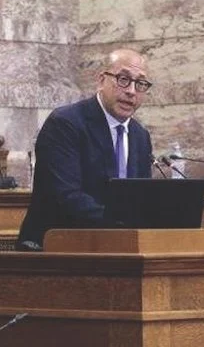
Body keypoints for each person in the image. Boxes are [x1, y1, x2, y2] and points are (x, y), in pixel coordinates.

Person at [18, 48, 154, 250]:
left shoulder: (140, 136)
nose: (131, 91)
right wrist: (123, 225)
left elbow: (141, 198)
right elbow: (66, 196)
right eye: (123, 79)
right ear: (101, 81)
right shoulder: (65, 123)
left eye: (140, 84)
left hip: (119, 249)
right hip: (57, 248)